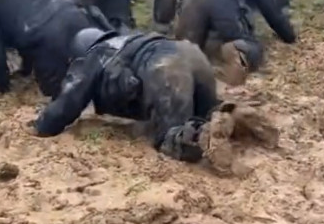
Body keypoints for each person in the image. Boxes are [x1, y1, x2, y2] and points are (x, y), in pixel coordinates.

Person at [31, 27, 220, 165]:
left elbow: (69, 101)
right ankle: (235, 126)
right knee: (212, 116)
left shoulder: (96, 55)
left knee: (173, 140)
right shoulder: (127, 40)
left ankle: (207, 147)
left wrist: (43, 125)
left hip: (166, 66)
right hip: (191, 53)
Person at [174, 0, 296, 85]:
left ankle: (181, 67)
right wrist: (289, 35)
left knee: (185, 51)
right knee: (247, 45)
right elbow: (271, 10)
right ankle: (238, 51)